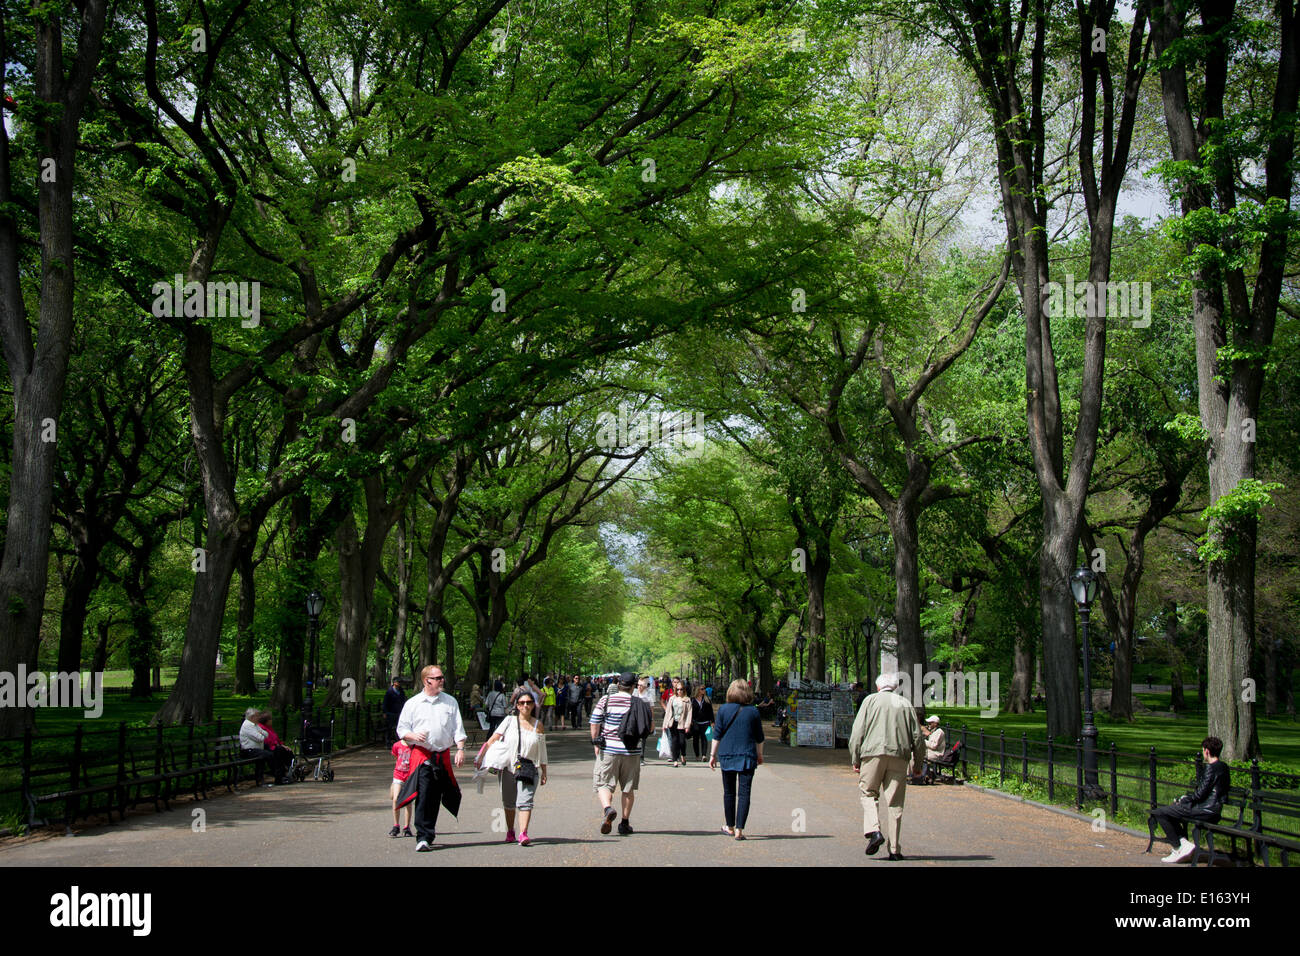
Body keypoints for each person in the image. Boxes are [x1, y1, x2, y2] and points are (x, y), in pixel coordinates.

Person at [849, 673, 925, 861]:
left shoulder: (870, 701)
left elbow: (857, 732)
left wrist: (855, 758)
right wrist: (918, 764)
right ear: (895, 687)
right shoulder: (905, 704)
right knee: (895, 803)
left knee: (868, 793)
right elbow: (917, 737)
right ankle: (894, 849)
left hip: (872, 754)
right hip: (899, 756)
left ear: (878, 687)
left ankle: (874, 831)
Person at [395, 664, 466, 852]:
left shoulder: (450, 702)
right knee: (425, 794)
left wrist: (460, 749)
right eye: (438, 678)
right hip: (423, 756)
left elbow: (457, 729)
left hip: (442, 756)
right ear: (427, 680)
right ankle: (423, 836)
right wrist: (412, 736)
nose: (442, 680)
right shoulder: (413, 703)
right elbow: (402, 729)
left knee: (437, 795)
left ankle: (429, 833)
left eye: (442, 677)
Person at [478, 688, 549, 845]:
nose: (525, 706)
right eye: (522, 703)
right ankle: (510, 831)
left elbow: (542, 749)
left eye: (529, 703)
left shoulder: (538, 725)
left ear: (533, 705)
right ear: (517, 705)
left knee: (525, 801)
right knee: (509, 802)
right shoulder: (509, 721)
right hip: (509, 767)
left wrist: (544, 771)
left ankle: (523, 833)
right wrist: (481, 756)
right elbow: (494, 738)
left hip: (529, 767)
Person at [1149, 737, 1230, 863]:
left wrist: (1184, 800)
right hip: (1214, 810)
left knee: (1160, 813)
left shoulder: (1210, 768)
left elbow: (1200, 795)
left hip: (1204, 810)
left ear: (1206, 751)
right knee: (1170, 811)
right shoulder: (1224, 767)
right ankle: (1183, 844)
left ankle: (1178, 847)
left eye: (1203, 750)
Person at [590, 671, 649, 836]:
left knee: (603, 783)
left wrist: (596, 742)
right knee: (628, 789)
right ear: (633, 687)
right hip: (632, 751)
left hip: (609, 749)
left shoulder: (606, 700)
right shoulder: (639, 702)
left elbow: (595, 722)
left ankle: (608, 808)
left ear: (618, 684)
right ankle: (624, 822)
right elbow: (648, 728)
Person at [709, 679, 765, 840]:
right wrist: (759, 754)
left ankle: (730, 826)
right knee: (745, 793)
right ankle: (740, 829)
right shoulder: (753, 711)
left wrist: (713, 755)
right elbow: (759, 738)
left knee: (729, 793)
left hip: (727, 755)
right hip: (747, 755)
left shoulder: (723, 710)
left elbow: (717, 735)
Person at [255, 710, 294, 784]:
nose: (272, 721)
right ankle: (280, 776)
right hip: (268, 748)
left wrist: (283, 745)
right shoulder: (262, 728)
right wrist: (279, 745)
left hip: (275, 747)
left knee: (287, 751)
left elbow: (276, 739)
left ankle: (292, 769)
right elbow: (267, 741)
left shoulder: (270, 728)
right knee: (279, 751)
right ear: (266, 721)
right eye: (270, 719)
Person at [662, 678, 693, 767]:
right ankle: (675, 759)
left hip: (682, 723)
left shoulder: (687, 700)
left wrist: (687, 725)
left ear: (684, 690)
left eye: (681, 689)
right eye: (678, 689)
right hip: (673, 722)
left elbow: (689, 714)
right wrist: (665, 724)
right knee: (674, 741)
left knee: (682, 741)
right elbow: (668, 712)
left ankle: (683, 754)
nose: (679, 691)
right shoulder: (672, 699)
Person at [389, 739, 415, 837]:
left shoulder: (414, 746)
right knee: (396, 799)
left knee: (407, 801)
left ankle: (406, 827)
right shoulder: (397, 745)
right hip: (398, 775)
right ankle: (396, 825)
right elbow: (396, 757)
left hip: (410, 775)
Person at [690, 683, 714, 762]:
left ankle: (704, 755)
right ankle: (697, 755)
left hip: (705, 722)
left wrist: (712, 721)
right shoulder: (692, 700)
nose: (704, 690)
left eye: (704, 689)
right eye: (702, 689)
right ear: (698, 690)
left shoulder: (707, 700)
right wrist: (690, 721)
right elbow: (690, 712)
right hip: (696, 722)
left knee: (705, 739)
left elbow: (711, 711)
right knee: (695, 740)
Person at [383, 676, 407, 745]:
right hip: (390, 712)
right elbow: (385, 702)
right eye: (399, 682)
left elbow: (403, 701)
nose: (400, 683)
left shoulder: (401, 692)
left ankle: (399, 743)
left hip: (399, 712)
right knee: (389, 728)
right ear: (395, 683)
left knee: (399, 728)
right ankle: (388, 743)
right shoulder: (389, 692)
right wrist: (385, 712)